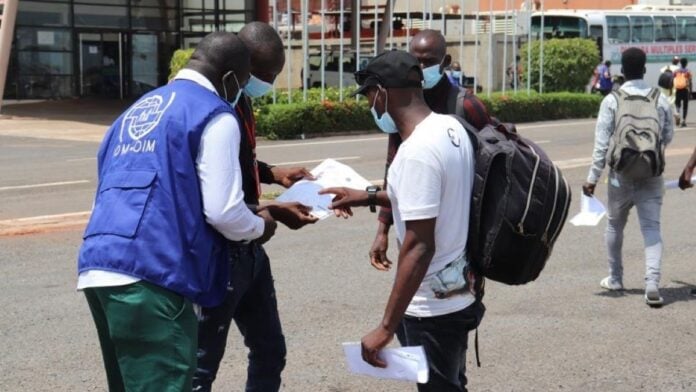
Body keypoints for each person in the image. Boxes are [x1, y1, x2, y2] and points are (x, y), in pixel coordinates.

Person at [77, 32, 278, 391]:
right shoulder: (213, 114)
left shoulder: (134, 112)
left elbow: (105, 194)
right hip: (152, 274)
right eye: (244, 82)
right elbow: (223, 212)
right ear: (231, 77)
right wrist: (260, 227)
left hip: (99, 269)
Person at [320, 50, 485, 392]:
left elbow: (420, 245)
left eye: (368, 96)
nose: (370, 106)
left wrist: (386, 327)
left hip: (431, 309)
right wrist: (365, 195)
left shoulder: (417, 153)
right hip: (458, 293)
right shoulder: (449, 127)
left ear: (380, 92)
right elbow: (429, 199)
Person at [193, 22, 318, 392]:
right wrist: (272, 212)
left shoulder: (239, 100)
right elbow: (213, 196)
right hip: (220, 251)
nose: (267, 83)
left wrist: (272, 173)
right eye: (263, 75)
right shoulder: (211, 108)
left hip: (251, 246)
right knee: (201, 367)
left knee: (269, 349)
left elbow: (237, 159)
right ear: (240, 67)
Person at [369, 29, 490, 273]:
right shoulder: (403, 103)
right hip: (416, 223)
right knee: (418, 283)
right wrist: (382, 229)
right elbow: (393, 171)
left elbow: (490, 166)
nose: (422, 67)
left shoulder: (466, 105)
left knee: (455, 297)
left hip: (461, 231)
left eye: (429, 61)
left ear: (445, 62)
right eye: (417, 61)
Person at [582, 47, 674, 307]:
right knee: (652, 228)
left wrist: (592, 178)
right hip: (652, 174)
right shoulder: (661, 99)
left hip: (619, 176)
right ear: (645, 69)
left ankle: (615, 278)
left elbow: (601, 145)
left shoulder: (612, 100)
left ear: (622, 71)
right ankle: (652, 284)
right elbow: (667, 135)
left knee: (614, 225)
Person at [673, 57, 691, 127]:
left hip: (678, 89)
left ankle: (678, 116)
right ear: (686, 63)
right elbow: (690, 81)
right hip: (685, 89)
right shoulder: (688, 71)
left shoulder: (676, 71)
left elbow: (673, 79)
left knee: (677, 104)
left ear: (680, 63)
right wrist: (690, 90)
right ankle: (683, 121)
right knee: (685, 106)